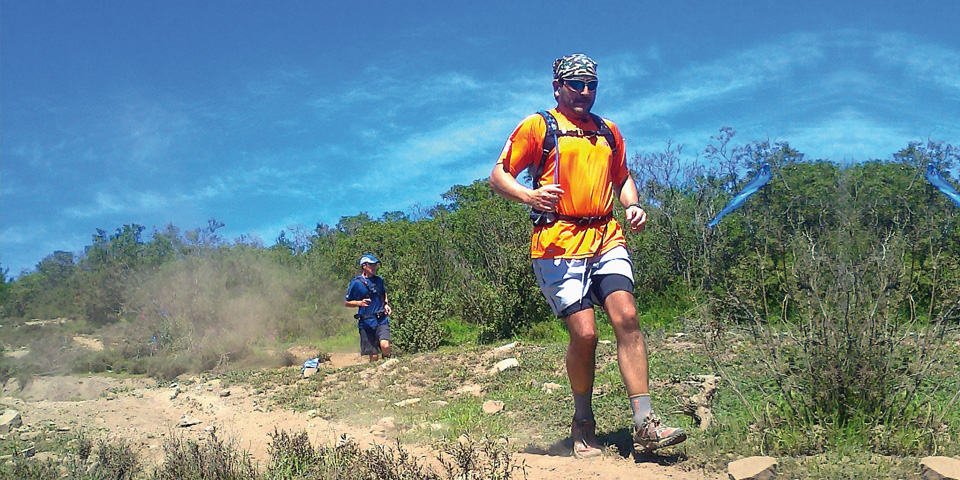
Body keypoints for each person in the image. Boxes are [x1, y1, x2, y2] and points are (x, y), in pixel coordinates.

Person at [489, 53, 686, 458]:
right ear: (557, 87)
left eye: (591, 85)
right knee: (586, 334)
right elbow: (498, 174)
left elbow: (623, 176)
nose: (583, 92)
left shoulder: (609, 131)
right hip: (557, 242)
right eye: (575, 84)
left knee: (627, 317)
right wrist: (529, 194)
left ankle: (646, 424)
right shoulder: (539, 126)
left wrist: (632, 204)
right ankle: (583, 422)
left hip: (605, 235)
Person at [344, 254, 392, 362]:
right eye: (372, 265)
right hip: (366, 322)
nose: (374, 267)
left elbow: (383, 294)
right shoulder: (356, 283)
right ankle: (374, 373)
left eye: (375, 265)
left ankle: (388, 363)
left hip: (381, 319)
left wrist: (386, 304)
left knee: (385, 345)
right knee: (373, 355)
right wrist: (359, 303)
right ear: (364, 266)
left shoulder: (379, 280)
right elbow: (347, 302)